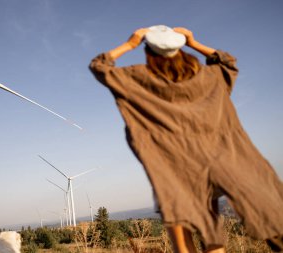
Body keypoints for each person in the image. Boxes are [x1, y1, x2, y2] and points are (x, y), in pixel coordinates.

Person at [89, 25, 283, 253]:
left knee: (192, 237)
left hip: (177, 168)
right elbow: (228, 62)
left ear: (149, 54)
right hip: (225, 158)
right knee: (248, 222)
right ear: (180, 51)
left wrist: (131, 43)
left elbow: (99, 66)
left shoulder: (137, 79)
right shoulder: (211, 78)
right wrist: (192, 41)